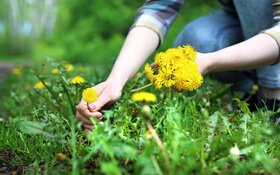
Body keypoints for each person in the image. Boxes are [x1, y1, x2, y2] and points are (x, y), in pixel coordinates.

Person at [76, 0, 280, 130]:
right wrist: (115, 81)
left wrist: (207, 62)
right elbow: (159, 9)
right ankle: (249, 94)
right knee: (199, 38)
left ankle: (272, 98)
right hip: (244, 22)